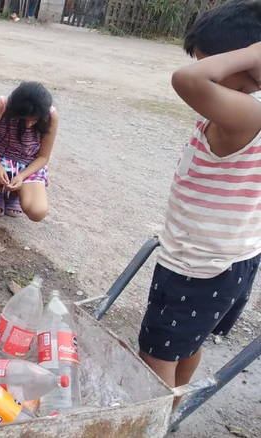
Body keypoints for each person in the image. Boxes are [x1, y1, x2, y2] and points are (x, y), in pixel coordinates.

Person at [137, 0, 261, 414]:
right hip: (226, 261)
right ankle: (170, 412)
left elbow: (186, 79)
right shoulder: (239, 109)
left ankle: (149, 422)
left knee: (153, 362)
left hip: (198, 267)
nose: (210, 78)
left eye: (218, 69)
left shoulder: (246, 115)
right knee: (186, 344)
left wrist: (255, 51)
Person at [0, 82, 58, 222]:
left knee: (38, 212)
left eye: (34, 120)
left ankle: (16, 192)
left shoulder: (51, 116)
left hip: (28, 164)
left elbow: (43, 157)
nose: (28, 124)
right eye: (24, 119)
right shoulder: (1, 106)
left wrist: (22, 176)